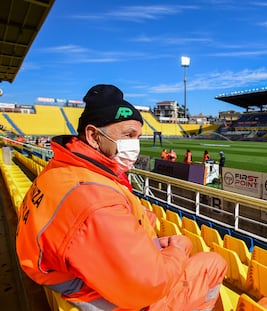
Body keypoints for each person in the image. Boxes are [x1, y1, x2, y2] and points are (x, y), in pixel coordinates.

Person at [15, 84, 227, 311]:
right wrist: (177, 249)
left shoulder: (61, 169)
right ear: (94, 135)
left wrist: (152, 242)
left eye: (138, 136)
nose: (134, 144)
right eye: (128, 135)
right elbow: (150, 286)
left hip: (70, 276)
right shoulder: (96, 200)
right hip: (102, 294)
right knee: (213, 263)